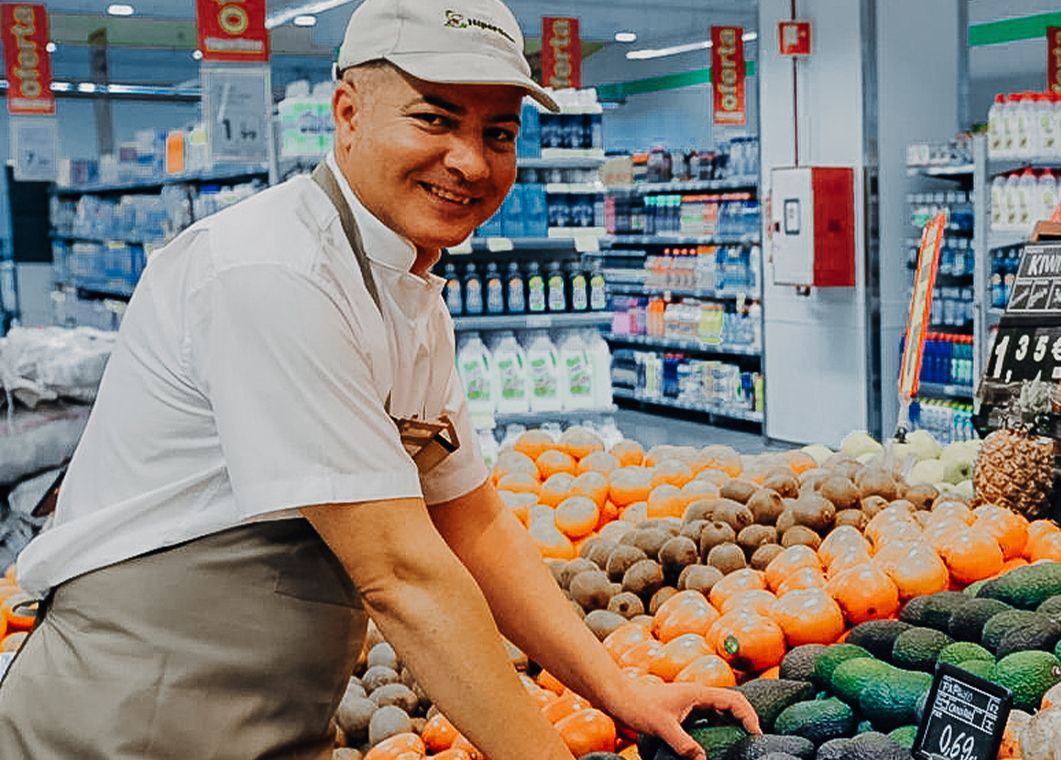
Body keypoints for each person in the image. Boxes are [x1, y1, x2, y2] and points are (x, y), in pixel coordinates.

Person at [0, 1, 757, 757]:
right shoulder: (272, 273)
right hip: (129, 715)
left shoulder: (408, 291)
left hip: (264, 715)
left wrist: (623, 692)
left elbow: (475, 522)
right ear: (348, 113)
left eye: (497, 134)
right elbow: (402, 576)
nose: (470, 160)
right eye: (434, 119)